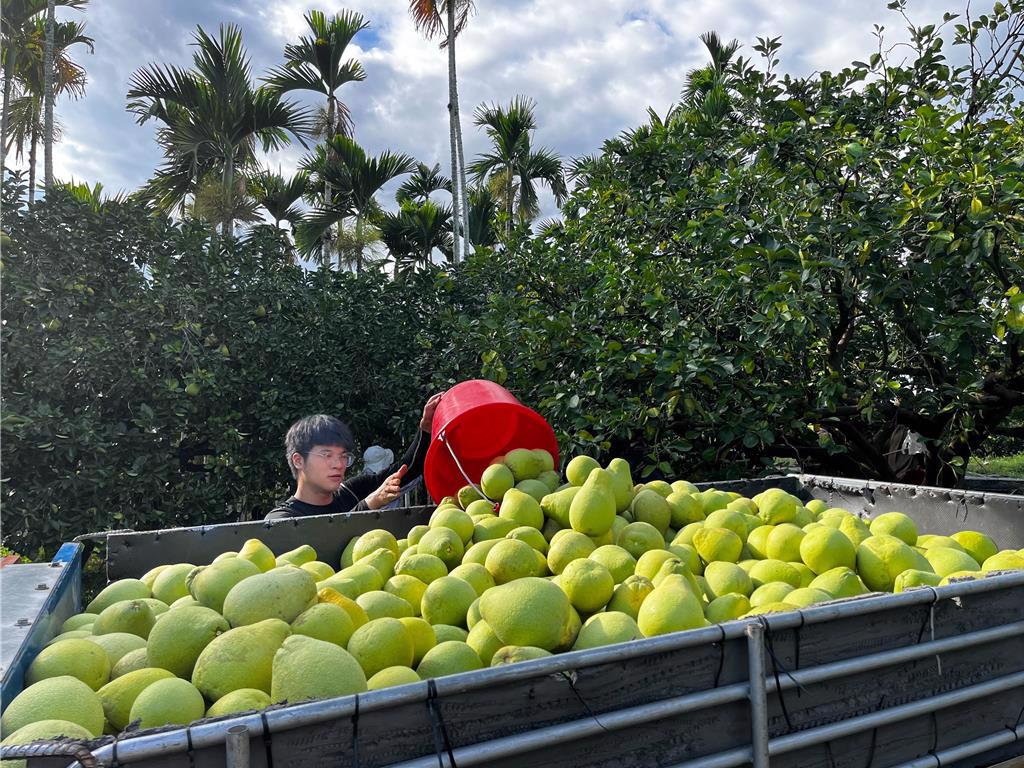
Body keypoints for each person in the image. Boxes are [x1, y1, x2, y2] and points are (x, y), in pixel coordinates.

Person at [265, 393, 443, 519]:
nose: (338, 464)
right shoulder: (282, 519)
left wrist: (426, 430)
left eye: (343, 456)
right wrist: (368, 505)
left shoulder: (350, 493)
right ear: (299, 460)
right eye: (327, 455)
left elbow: (407, 469)